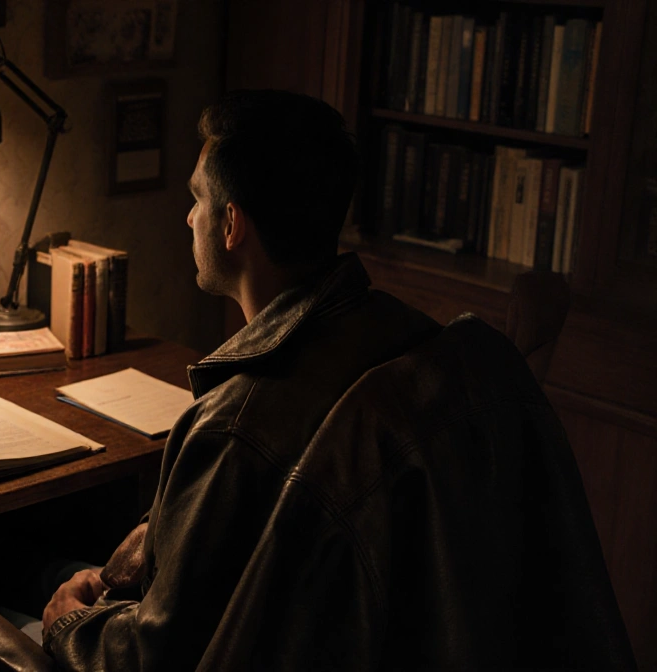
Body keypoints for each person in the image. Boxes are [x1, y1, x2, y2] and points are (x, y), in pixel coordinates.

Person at [38, 90, 634, 670]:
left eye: (197, 200)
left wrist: (69, 623)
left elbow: (152, 656)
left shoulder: (232, 428)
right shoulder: (414, 341)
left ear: (231, 225)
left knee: (1, 575)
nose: (187, 216)